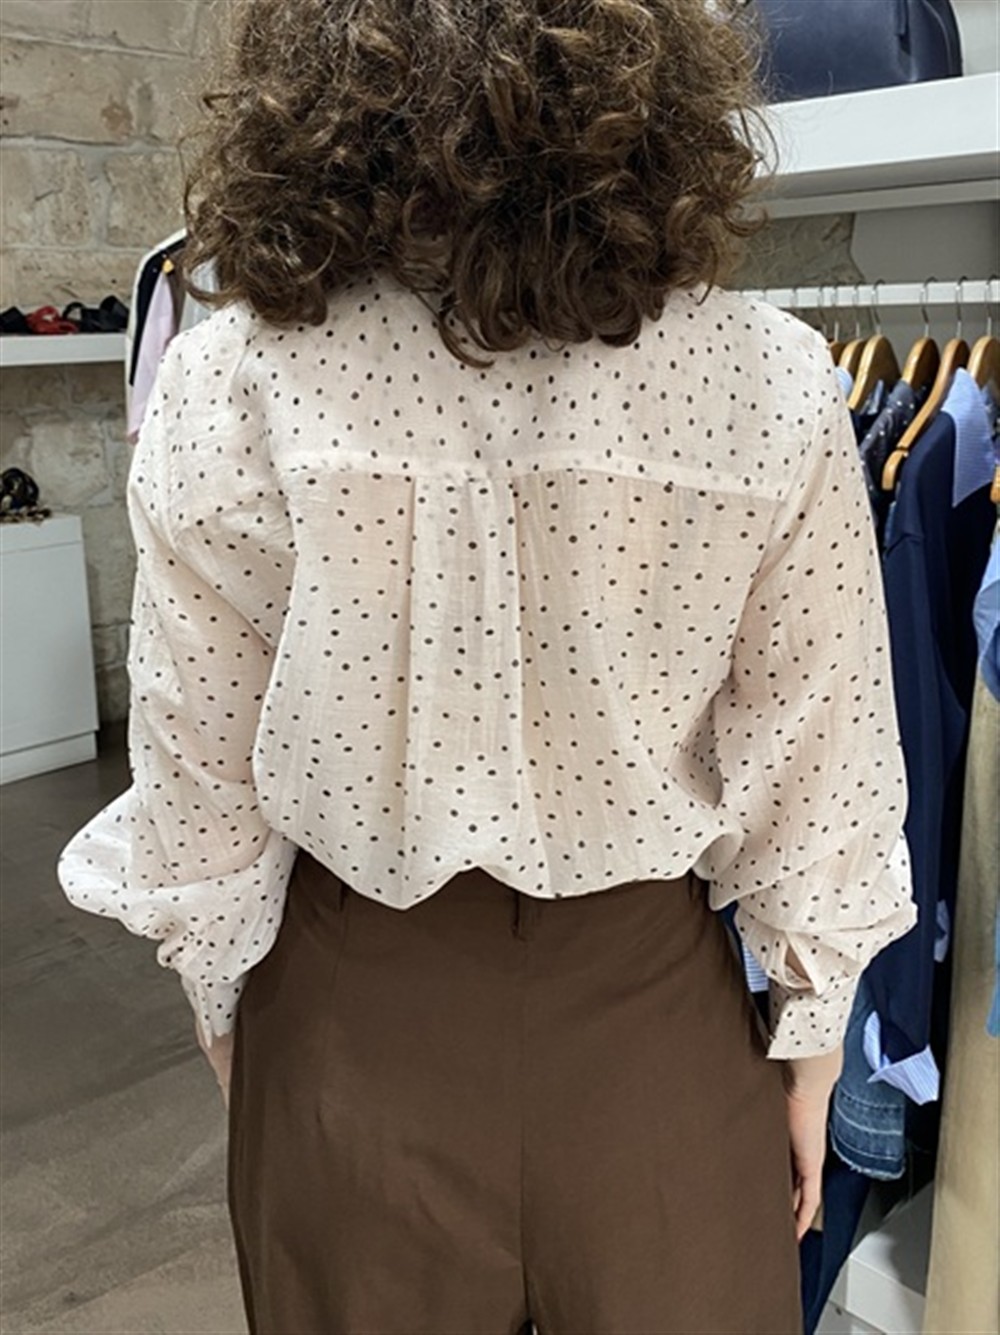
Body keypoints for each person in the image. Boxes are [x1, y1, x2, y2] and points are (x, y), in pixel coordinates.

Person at [57, 1, 917, 1331]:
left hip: (348, 1018)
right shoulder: (769, 377)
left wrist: (230, 1014)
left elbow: (199, 763)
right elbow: (820, 754)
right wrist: (812, 1042)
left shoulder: (234, 380)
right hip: (653, 1033)